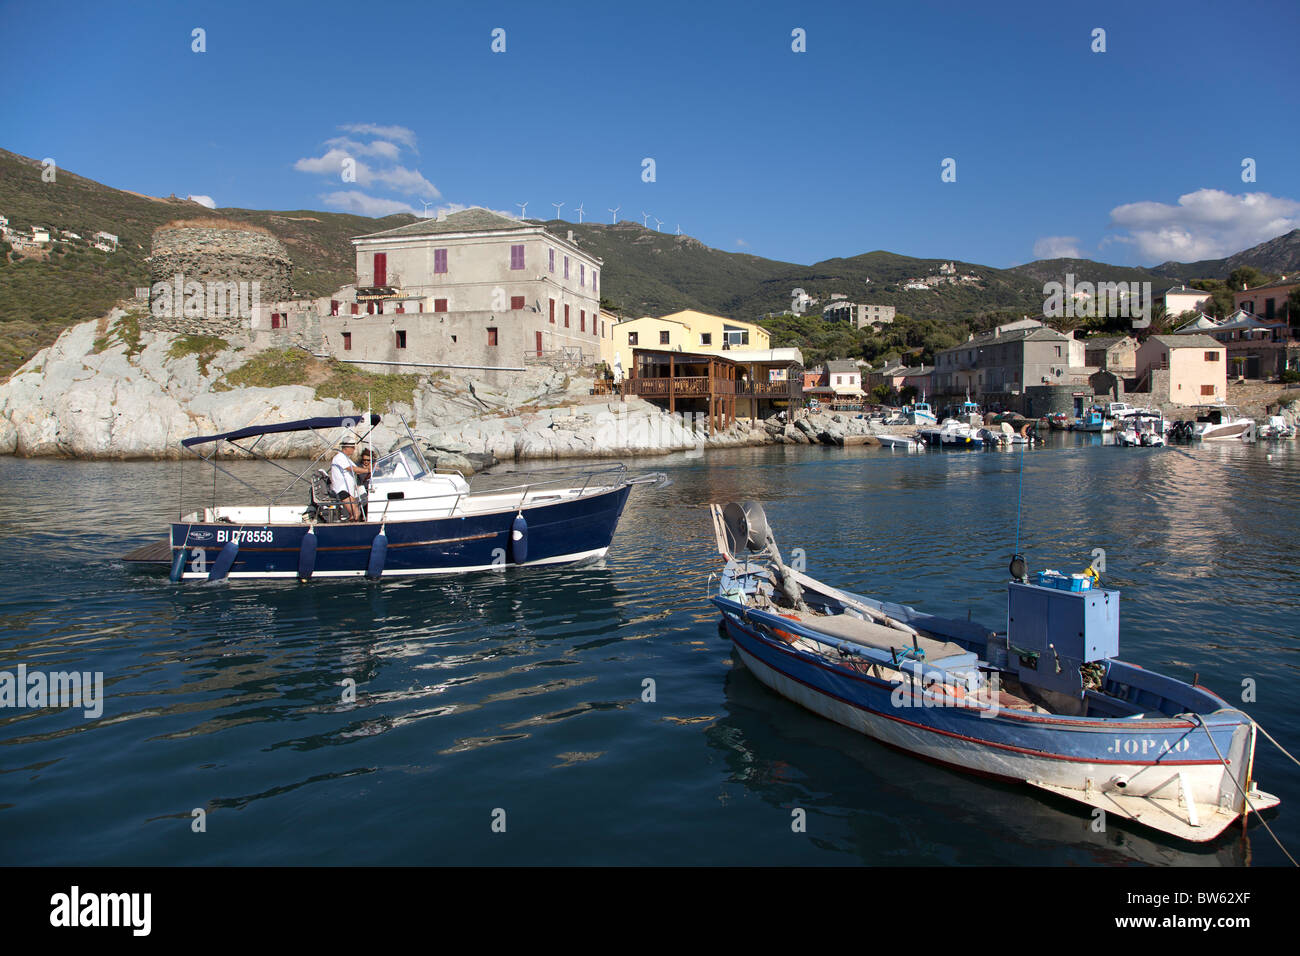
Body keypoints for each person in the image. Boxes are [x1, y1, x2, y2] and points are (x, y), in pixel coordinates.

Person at [330, 440, 364, 521]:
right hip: (342, 490)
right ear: (346, 448)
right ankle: (353, 529)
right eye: (352, 447)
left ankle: (351, 525)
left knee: (355, 513)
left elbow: (358, 470)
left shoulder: (346, 458)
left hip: (349, 490)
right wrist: (368, 470)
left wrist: (370, 469)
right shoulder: (339, 458)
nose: (354, 449)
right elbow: (352, 469)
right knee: (356, 513)